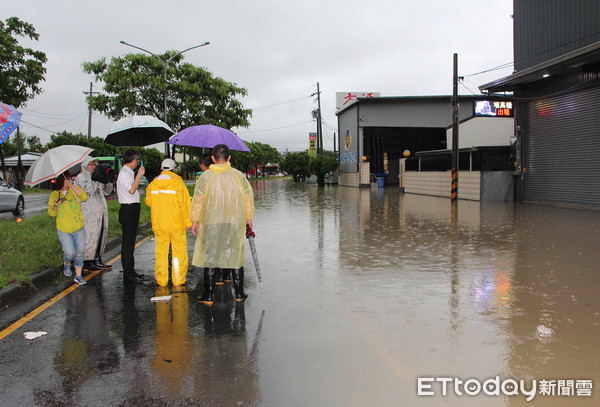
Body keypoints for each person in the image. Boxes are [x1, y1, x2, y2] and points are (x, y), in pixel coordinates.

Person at [191, 144, 255, 305]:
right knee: (235, 254)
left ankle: (208, 295)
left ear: (212, 158)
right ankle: (239, 293)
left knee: (210, 256)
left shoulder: (205, 177)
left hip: (211, 221)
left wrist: (194, 220)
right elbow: (248, 195)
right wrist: (248, 217)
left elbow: (198, 199)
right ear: (229, 158)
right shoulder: (238, 176)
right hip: (233, 221)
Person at [144, 158, 192, 287]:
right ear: (174, 169)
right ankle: (178, 279)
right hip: (177, 224)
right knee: (179, 252)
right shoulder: (178, 183)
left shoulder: (153, 184)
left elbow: (148, 202)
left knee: (161, 252)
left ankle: (162, 281)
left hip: (159, 224)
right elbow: (185, 204)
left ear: (161, 168)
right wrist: (187, 223)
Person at [47, 171, 89, 285]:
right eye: (68, 179)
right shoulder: (55, 195)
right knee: (70, 253)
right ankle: (67, 262)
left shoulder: (74, 190)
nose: (70, 180)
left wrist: (73, 187)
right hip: (64, 229)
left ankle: (78, 276)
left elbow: (84, 197)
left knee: (79, 252)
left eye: (71, 178)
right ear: (62, 180)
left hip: (78, 227)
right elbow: (51, 213)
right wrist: (56, 205)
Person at [75, 156, 114, 273]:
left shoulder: (97, 177)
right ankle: (87, 261)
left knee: (101, 234)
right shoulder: (80, 178)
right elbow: (89, 191)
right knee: (89, 236)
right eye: (90, 165)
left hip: (100, 211)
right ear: (85, 166)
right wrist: (95, 180)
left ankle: (98, 257)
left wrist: (108, 181)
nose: (93, 167)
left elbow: (106, 192)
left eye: (94, 165)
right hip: (89, 211)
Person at [116, 149, 146, 283]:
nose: (137, 163)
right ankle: (128, 273)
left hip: (132, 208)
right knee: (128, 243)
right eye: (137, 161)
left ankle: (131, 270)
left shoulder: (128, 173)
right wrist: (140, 175)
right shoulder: (124, 174)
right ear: (133, 160)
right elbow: (132, 189)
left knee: (131, 241)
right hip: (128, 209)